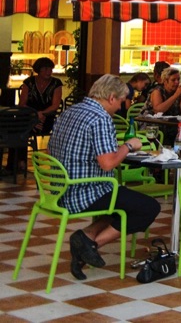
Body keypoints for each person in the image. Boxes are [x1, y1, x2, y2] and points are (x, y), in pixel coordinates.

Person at [47, 74, 160, 281]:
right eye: (120, 101)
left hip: (59, 189)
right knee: (148, 207)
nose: (120, 107)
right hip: (84, 190)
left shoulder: (71, 110)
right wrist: (128, 146)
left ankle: (85, 239)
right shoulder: (100, 118)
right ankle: (89, 245)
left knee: (125, 204)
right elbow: (108, 163)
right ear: (110, 97)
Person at [19, 56, 63, 136]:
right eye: (46, 69)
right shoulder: (29, 82)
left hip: (47, 115)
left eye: (50, 69)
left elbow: (55, 105)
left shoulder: (56, 83)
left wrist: (41, 113)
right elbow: (22, 104)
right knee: (20, 125)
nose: (49, 72)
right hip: (30, 115)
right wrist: (35, 114)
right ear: (39, 69)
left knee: (38, 125)